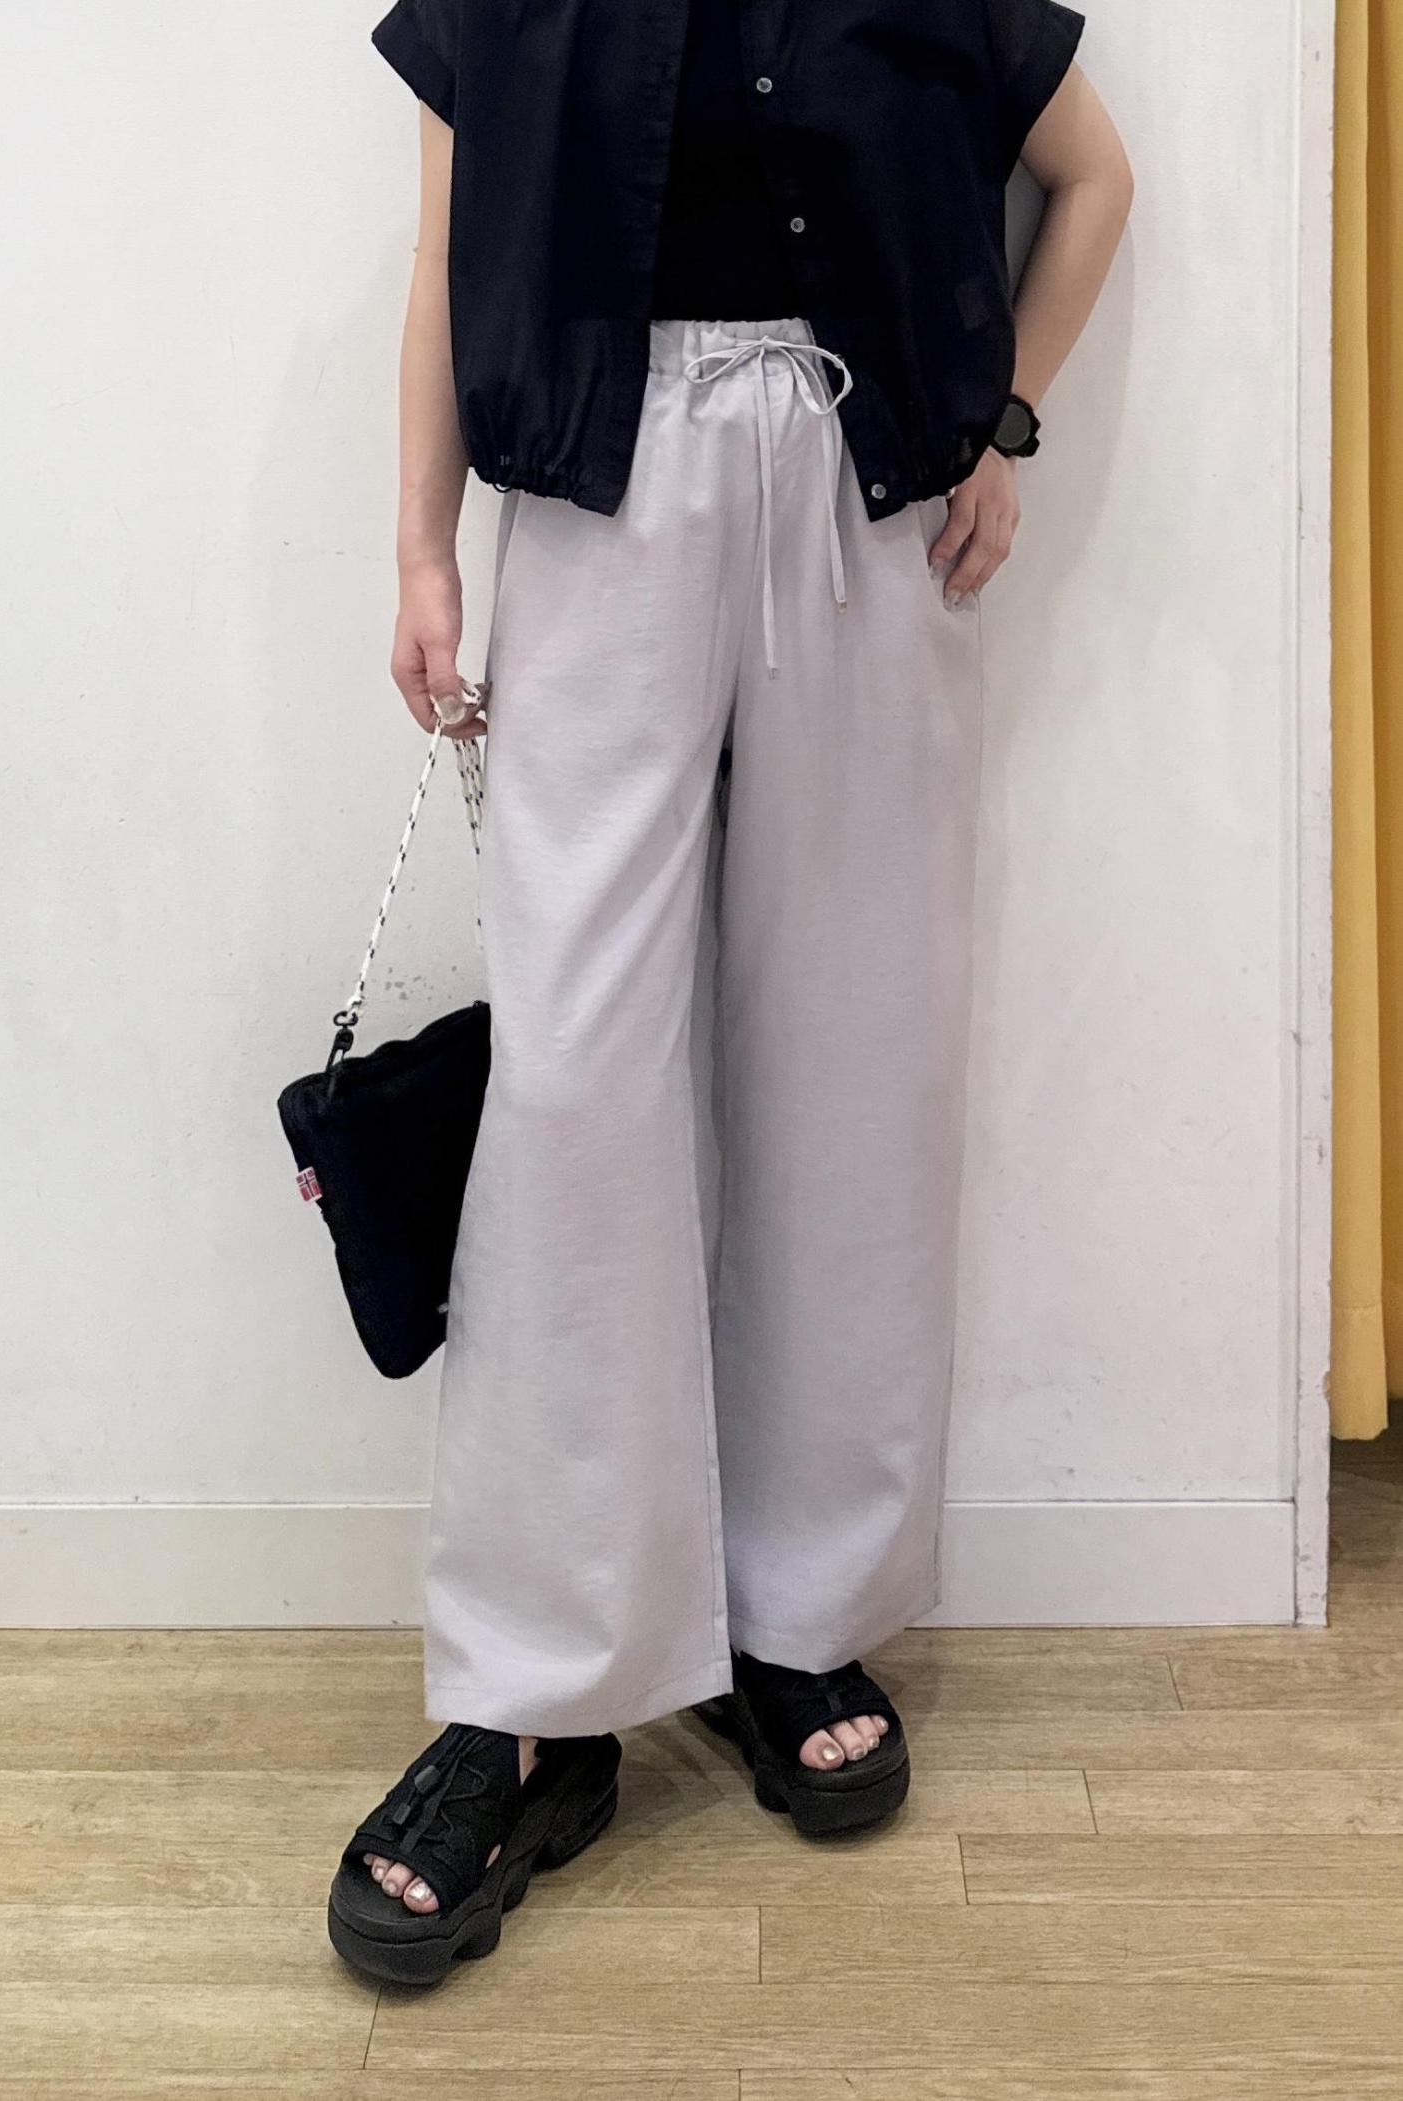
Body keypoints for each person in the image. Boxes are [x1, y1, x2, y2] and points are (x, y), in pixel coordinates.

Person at [327, 0, 1133, 1986]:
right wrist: (420, 544)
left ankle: (798, 1615)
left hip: (874, 498)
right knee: (572, 1088)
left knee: (853, 1062)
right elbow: (445, 242)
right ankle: (536, 1687)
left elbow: (1097, 178)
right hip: (594, 505)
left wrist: (1009, 424)